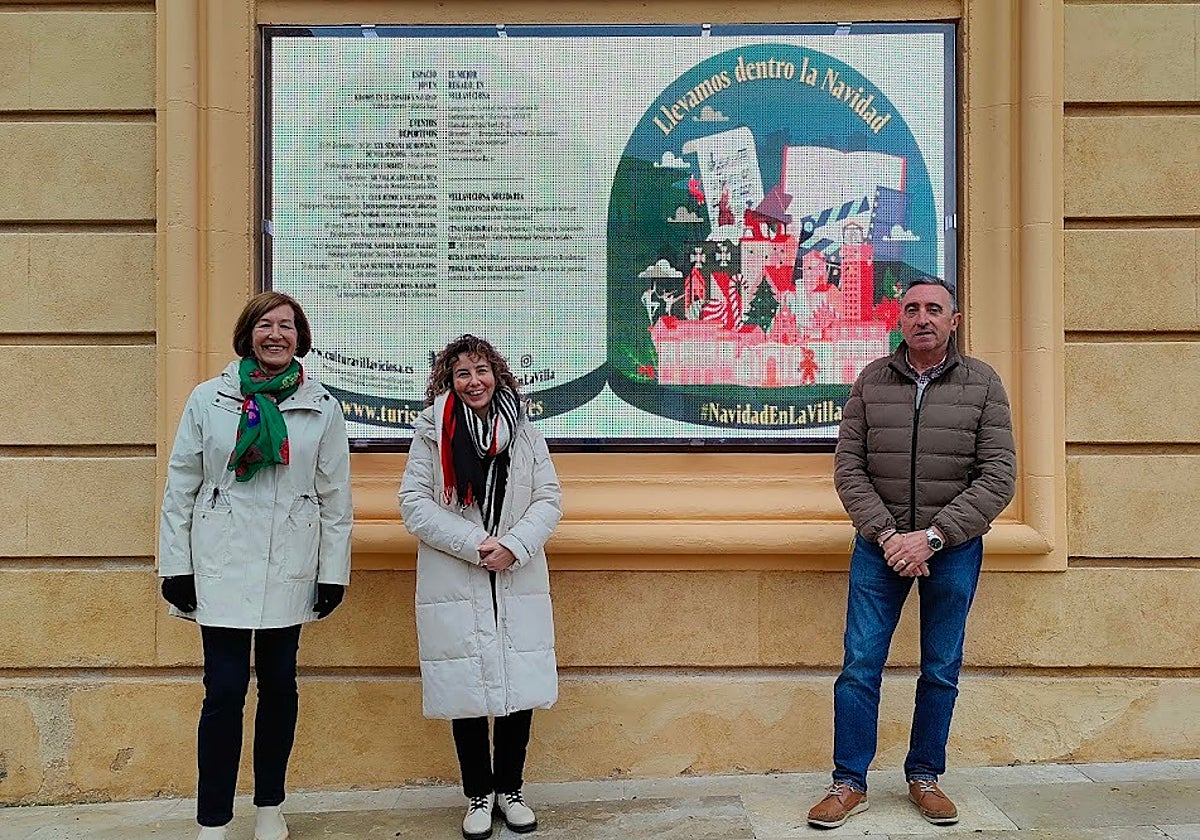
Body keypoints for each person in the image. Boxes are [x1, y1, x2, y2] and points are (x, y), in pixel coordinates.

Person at [807, 278, 1016, 829]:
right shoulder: (872, 381)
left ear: (955, 319)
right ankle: (848, 782)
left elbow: (997, 477)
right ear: (899, 320)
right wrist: (887, 536)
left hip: (953, 547)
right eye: (911, 309)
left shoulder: (983, 383)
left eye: (934, 309)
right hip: (880, 548)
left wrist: (934, 537)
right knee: (859, 666)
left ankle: (925, 776)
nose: (922, 318)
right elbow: (848, 469)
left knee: (941, 667)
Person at [158, 291, 353, 840]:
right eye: (265, 325)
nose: (276, 335)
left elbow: (335, 496)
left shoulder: (320, 405)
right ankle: (214, 818)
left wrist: (332, 571)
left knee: (279, 688)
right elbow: (180, 488)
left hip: (288, 563)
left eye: (287, 326)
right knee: (222, 691)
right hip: (219, 563)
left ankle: (270, 806)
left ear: (301, 337)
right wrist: (176, 565)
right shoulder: (209, 399)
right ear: (248, 334)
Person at [399, 335, 562, 840]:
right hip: (458, 575)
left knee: (517, 687)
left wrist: (515, 544)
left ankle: (511, 790)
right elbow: (414, 504)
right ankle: (477, 794)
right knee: (467, 689)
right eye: (462, 373)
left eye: (482, 370)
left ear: (498, 375)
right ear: (448, 381)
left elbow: (549, 498)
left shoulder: (525, 431)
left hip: (516, 573)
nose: (474, 382)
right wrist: (476, 542)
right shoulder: (431, 432)